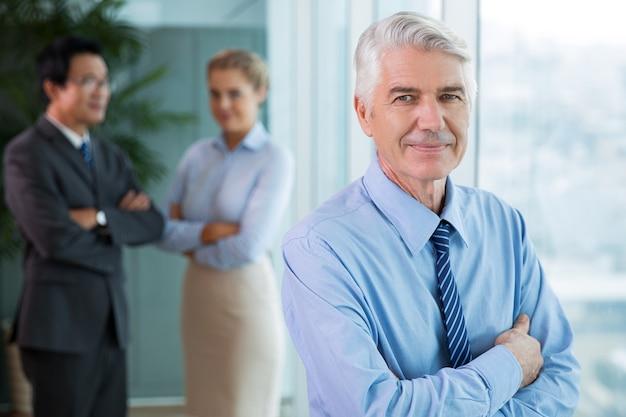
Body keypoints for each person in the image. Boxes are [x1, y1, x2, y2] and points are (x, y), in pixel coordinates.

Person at [281, 12, 580, 417]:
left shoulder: (503, 223)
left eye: (450, 96)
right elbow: (376, 410)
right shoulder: (319, 250)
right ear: (364, 113)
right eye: (405, 97)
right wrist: (509, 365)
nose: (432, 120)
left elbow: (560, 380)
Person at [3, 36, 164, 417]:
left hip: (111, 328)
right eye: (88, 81)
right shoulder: (27, 154)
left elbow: (153, 223)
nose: (102, 91)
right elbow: (55, 239)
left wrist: (100, 217)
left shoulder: (109, 155)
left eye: (105, 81)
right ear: (53, 87)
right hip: (59, 331)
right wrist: (117, 230)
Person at [158, 49, 293, 417]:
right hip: (199, 297)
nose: (223, 104)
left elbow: (249, 246)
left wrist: (192, 241)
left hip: (246, 297)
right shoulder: (196, 155)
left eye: (235, 93)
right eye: (215, 93)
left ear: (260, 91)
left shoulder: (274, 159)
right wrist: (211, 231)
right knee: (203, 403)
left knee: (246, 406)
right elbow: (165, 231)